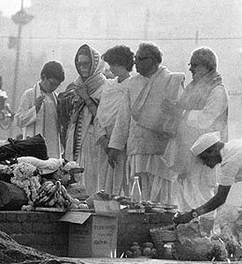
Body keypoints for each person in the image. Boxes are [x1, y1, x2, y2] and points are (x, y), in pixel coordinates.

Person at [107, 42, 185, 203]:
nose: (136, 62)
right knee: (138, 193)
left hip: (161, 150)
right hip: (137, 147)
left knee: (161, 193)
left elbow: (179, 115)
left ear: (155, 60)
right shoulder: (133, 83)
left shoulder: (172, 81)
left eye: (141, 59)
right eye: (136, 58)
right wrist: (115, 146)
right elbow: (123, 117)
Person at [163, 47, 228, 230]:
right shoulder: (193, 88)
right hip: (185, 149)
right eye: (190, 65)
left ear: (208, 67)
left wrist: (181, 112)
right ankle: (185, 234)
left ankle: (204, 236)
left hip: (206, 155)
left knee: (201, 192)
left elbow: (206, 119)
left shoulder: (217, 91)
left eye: (195, 66)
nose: (191, 70)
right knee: (183, 191)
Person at [173, 131, 242, 225]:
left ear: (213, 150)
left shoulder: (229, 161)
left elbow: (220, 198)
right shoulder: (233, 146)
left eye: (204, 158)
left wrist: (192, 214)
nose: (204, 163)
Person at [58, 44, 107, 194]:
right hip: (73, 138)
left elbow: (103, 117)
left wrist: (86, 98)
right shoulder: (75, 85)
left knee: (90, 177)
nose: (82, 67)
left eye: (86, 63)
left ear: (94, 65)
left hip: (92, 140)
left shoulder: (104, 86)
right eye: (79, 64)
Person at [95, 45, 134, 195]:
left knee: (122, 183)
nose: (112, 68)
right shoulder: (109, 85)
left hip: (123, 145)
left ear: (123, 64)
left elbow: (128, 117)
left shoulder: (133, 85)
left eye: (115, 64)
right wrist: (103, 139)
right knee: (104, 184)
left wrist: (117, 145)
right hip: (105, 142)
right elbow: (100, 114)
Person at [16, 61, 65, 159]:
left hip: (52, 149)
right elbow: (19, 121)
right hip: (33, 147)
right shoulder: (29, 94)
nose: (54, 88)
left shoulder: (56, 98)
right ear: (43, 76)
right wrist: (35, 109)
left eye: (57, 85)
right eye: (52, 84)